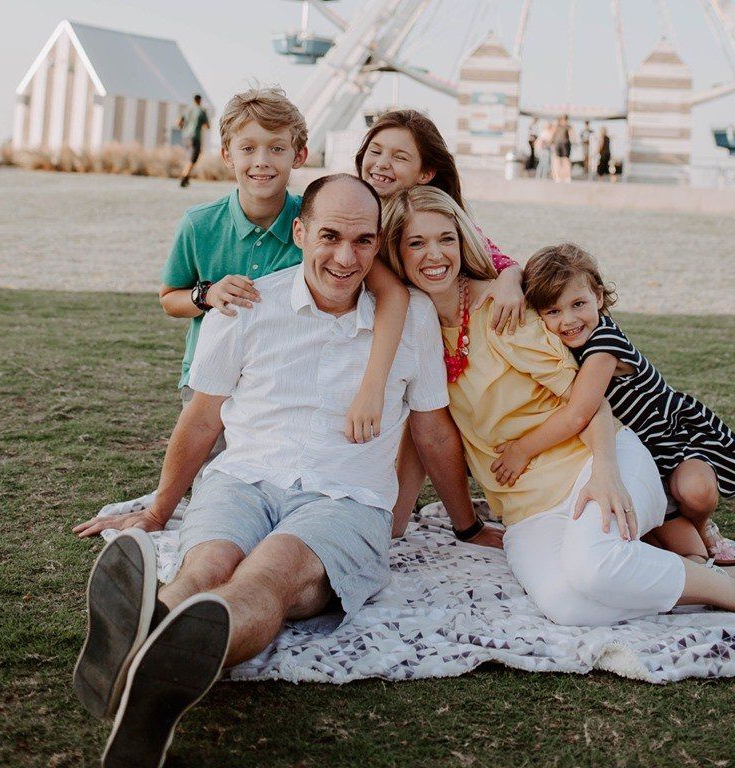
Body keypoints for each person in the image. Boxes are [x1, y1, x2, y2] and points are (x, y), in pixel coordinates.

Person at [71, 174, 503, 767]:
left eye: (362, 241)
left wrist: (465, 525)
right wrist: (156, 511)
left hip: (345, 501)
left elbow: (431, 429)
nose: (345, 257)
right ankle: (157, 641)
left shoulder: (410, 321)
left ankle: (145, 659)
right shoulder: (247, 304)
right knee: (207, 564)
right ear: (299, 232)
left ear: (378, 246)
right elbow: (202, 421)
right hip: (243, 479)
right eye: (329, 236)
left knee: (267, 574)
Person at [381, 184, 735, 639]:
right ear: (396, 254)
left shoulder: (503, 311)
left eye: (446, 239)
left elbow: (591, 403)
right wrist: (459, 525)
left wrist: (606, 472)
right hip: (525, 505)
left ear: (464, 241)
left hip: (597, 462)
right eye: (416, 243)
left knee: (596, 568)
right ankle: (690, 570)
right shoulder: (414, 329)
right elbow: (430, 434)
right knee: (569, 606)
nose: (434, 255)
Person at [159, 86, 409, 456]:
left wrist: (373, 385)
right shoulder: (199, 225)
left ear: (300, 154)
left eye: (277, 148)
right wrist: (206, 294)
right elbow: (169, 299)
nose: (262, 161)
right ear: (227, 155)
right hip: (208, 382)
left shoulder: (319, 226)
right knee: (214, 486)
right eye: (248, 148)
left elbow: (391, 291)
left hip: (283, 385)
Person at [492, 244, 735, 561]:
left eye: (578, 304)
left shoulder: (604, 343)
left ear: (598, 297)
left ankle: (702, 525)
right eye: (553, 311)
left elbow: (579, 414)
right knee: (660, 535)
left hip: (672, 438)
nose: (569, 320)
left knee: (695, 490)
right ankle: (677, 531)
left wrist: (522, 449)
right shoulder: (559, 345)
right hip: (640, 452)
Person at [353, 108, 527, 531]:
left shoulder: (435, 215)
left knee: (426, 414)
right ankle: (388, 511)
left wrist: (510, 275)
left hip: (435, 333)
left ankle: (403, 515)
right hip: (369, 334)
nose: (381, 164)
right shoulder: (353, 209)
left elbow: (495, 259)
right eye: (375, 151)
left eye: (399, 157)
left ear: (426, 172)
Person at [178, 94, 210, 188]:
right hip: (195, 137)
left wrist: (184, 129)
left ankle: (185, 176)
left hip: (185, 137)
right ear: (200, 101)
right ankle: (184, 177)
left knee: (189, 157)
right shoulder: (201, 111)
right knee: (193, 158)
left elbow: (179, 122)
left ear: (193, 100)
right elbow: (207, 126)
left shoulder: (187, 109)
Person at [552, 114, 574, 183]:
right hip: (558, 145)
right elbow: (553, 134)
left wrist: (573, 141)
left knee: (565, 160)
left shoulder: (568, 126)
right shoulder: (557, 126)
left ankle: (567, 176)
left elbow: (572, 135)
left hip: (565, 144)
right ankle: (558, 176)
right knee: (558, 161)